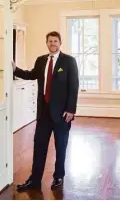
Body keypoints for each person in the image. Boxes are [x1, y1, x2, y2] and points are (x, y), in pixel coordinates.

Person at [12, 31, 79, 191]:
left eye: (55, 41)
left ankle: (58, 177)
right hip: (43, 114)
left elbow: (74, 86)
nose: (52, 43)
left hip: (62, 115)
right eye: (50, 41)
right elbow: (31, 75)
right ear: (46, 43)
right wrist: (15, 69)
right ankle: (34, 180)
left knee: (60, 146)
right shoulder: (41, 60)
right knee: (39, 147)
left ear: (60, 43)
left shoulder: (69, 61)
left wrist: (71, 109)